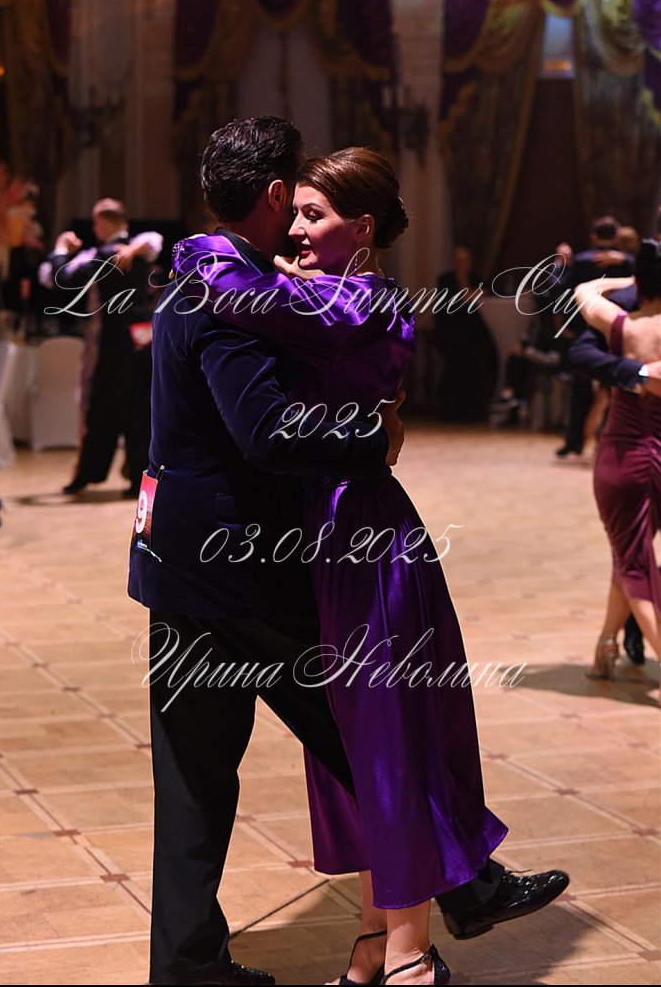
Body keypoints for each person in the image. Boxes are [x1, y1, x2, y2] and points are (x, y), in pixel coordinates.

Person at [173, 142, 569, 986]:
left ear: (361, 227)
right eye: (294, 211)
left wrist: (194, 247)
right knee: (350, 745)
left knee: (388, 735)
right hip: (316, 539)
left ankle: (409, 956)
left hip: (364, 536)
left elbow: (244, 297)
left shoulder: (365, 301)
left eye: (314, 215)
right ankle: (373, 942)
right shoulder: (316, 293)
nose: (297, 229)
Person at [129, 117, 410, 987]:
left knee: (195, 778)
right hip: (236, 570)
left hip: (177, 559)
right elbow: (268, 433)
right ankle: (464, 879)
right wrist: (373, 440)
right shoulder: (238, 298)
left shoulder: (202, 274)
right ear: (278, 193)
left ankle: (187, 964)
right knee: (366, 733)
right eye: (297, 200)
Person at [573, 241, 661, 682]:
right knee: (631, 552)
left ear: (641, 281)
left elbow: (583, 291)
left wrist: (622, 278)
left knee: (633, 561)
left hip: (625, 456)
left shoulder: (621, 324)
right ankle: (607, 643)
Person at [42, 199, 162, 497]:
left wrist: (60, 249)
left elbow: (62, 278)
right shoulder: (139, 249)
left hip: (115, 343)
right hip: (143, 339)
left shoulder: (107, 254)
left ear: (102, 223)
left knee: (103, 408)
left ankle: (89, 473)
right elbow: (154, 240)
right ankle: (138, 477)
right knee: (139, 410)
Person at [554, 217, 634, 459]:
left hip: (585, 330)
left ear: (593, 236)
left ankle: (574, 440)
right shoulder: (627, 263)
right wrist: (626, 260)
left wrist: (560, 264)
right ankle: (610, 442)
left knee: (580, 387)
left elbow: (559, 291)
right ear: (616, 237)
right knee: (615, 388)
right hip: (618, 330)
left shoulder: (580, 261)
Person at [434, 246, 498, 422]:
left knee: (472, 358)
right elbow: (454, 305)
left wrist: (470, 294)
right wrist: (470, 294)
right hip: (450, 331)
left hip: (470, 332)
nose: (462, 264)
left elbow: (481, 299)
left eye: (465, 260)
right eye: (459, 261)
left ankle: (470, 409)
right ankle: (453, 409)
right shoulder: (446, 280)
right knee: (458, 360)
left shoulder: (476, 279)